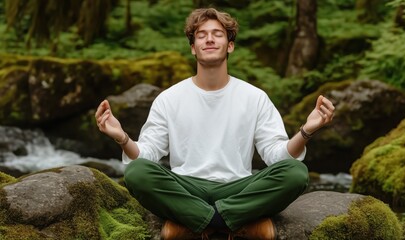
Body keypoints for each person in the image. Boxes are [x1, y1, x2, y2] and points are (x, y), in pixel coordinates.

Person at [95, 7, 335, 240]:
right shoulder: (169, 99)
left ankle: (195, 224)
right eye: (201, 35)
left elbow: (277, 157)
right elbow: (146, 155)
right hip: (187, 186)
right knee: (137, 172)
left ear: (230, 45)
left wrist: (306, 131)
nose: (209, 39)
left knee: (296, 172)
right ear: (193, 48)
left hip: (238, 186)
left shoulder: (255, 97)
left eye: (217, 34)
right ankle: (236, 223)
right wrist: (121, 137)